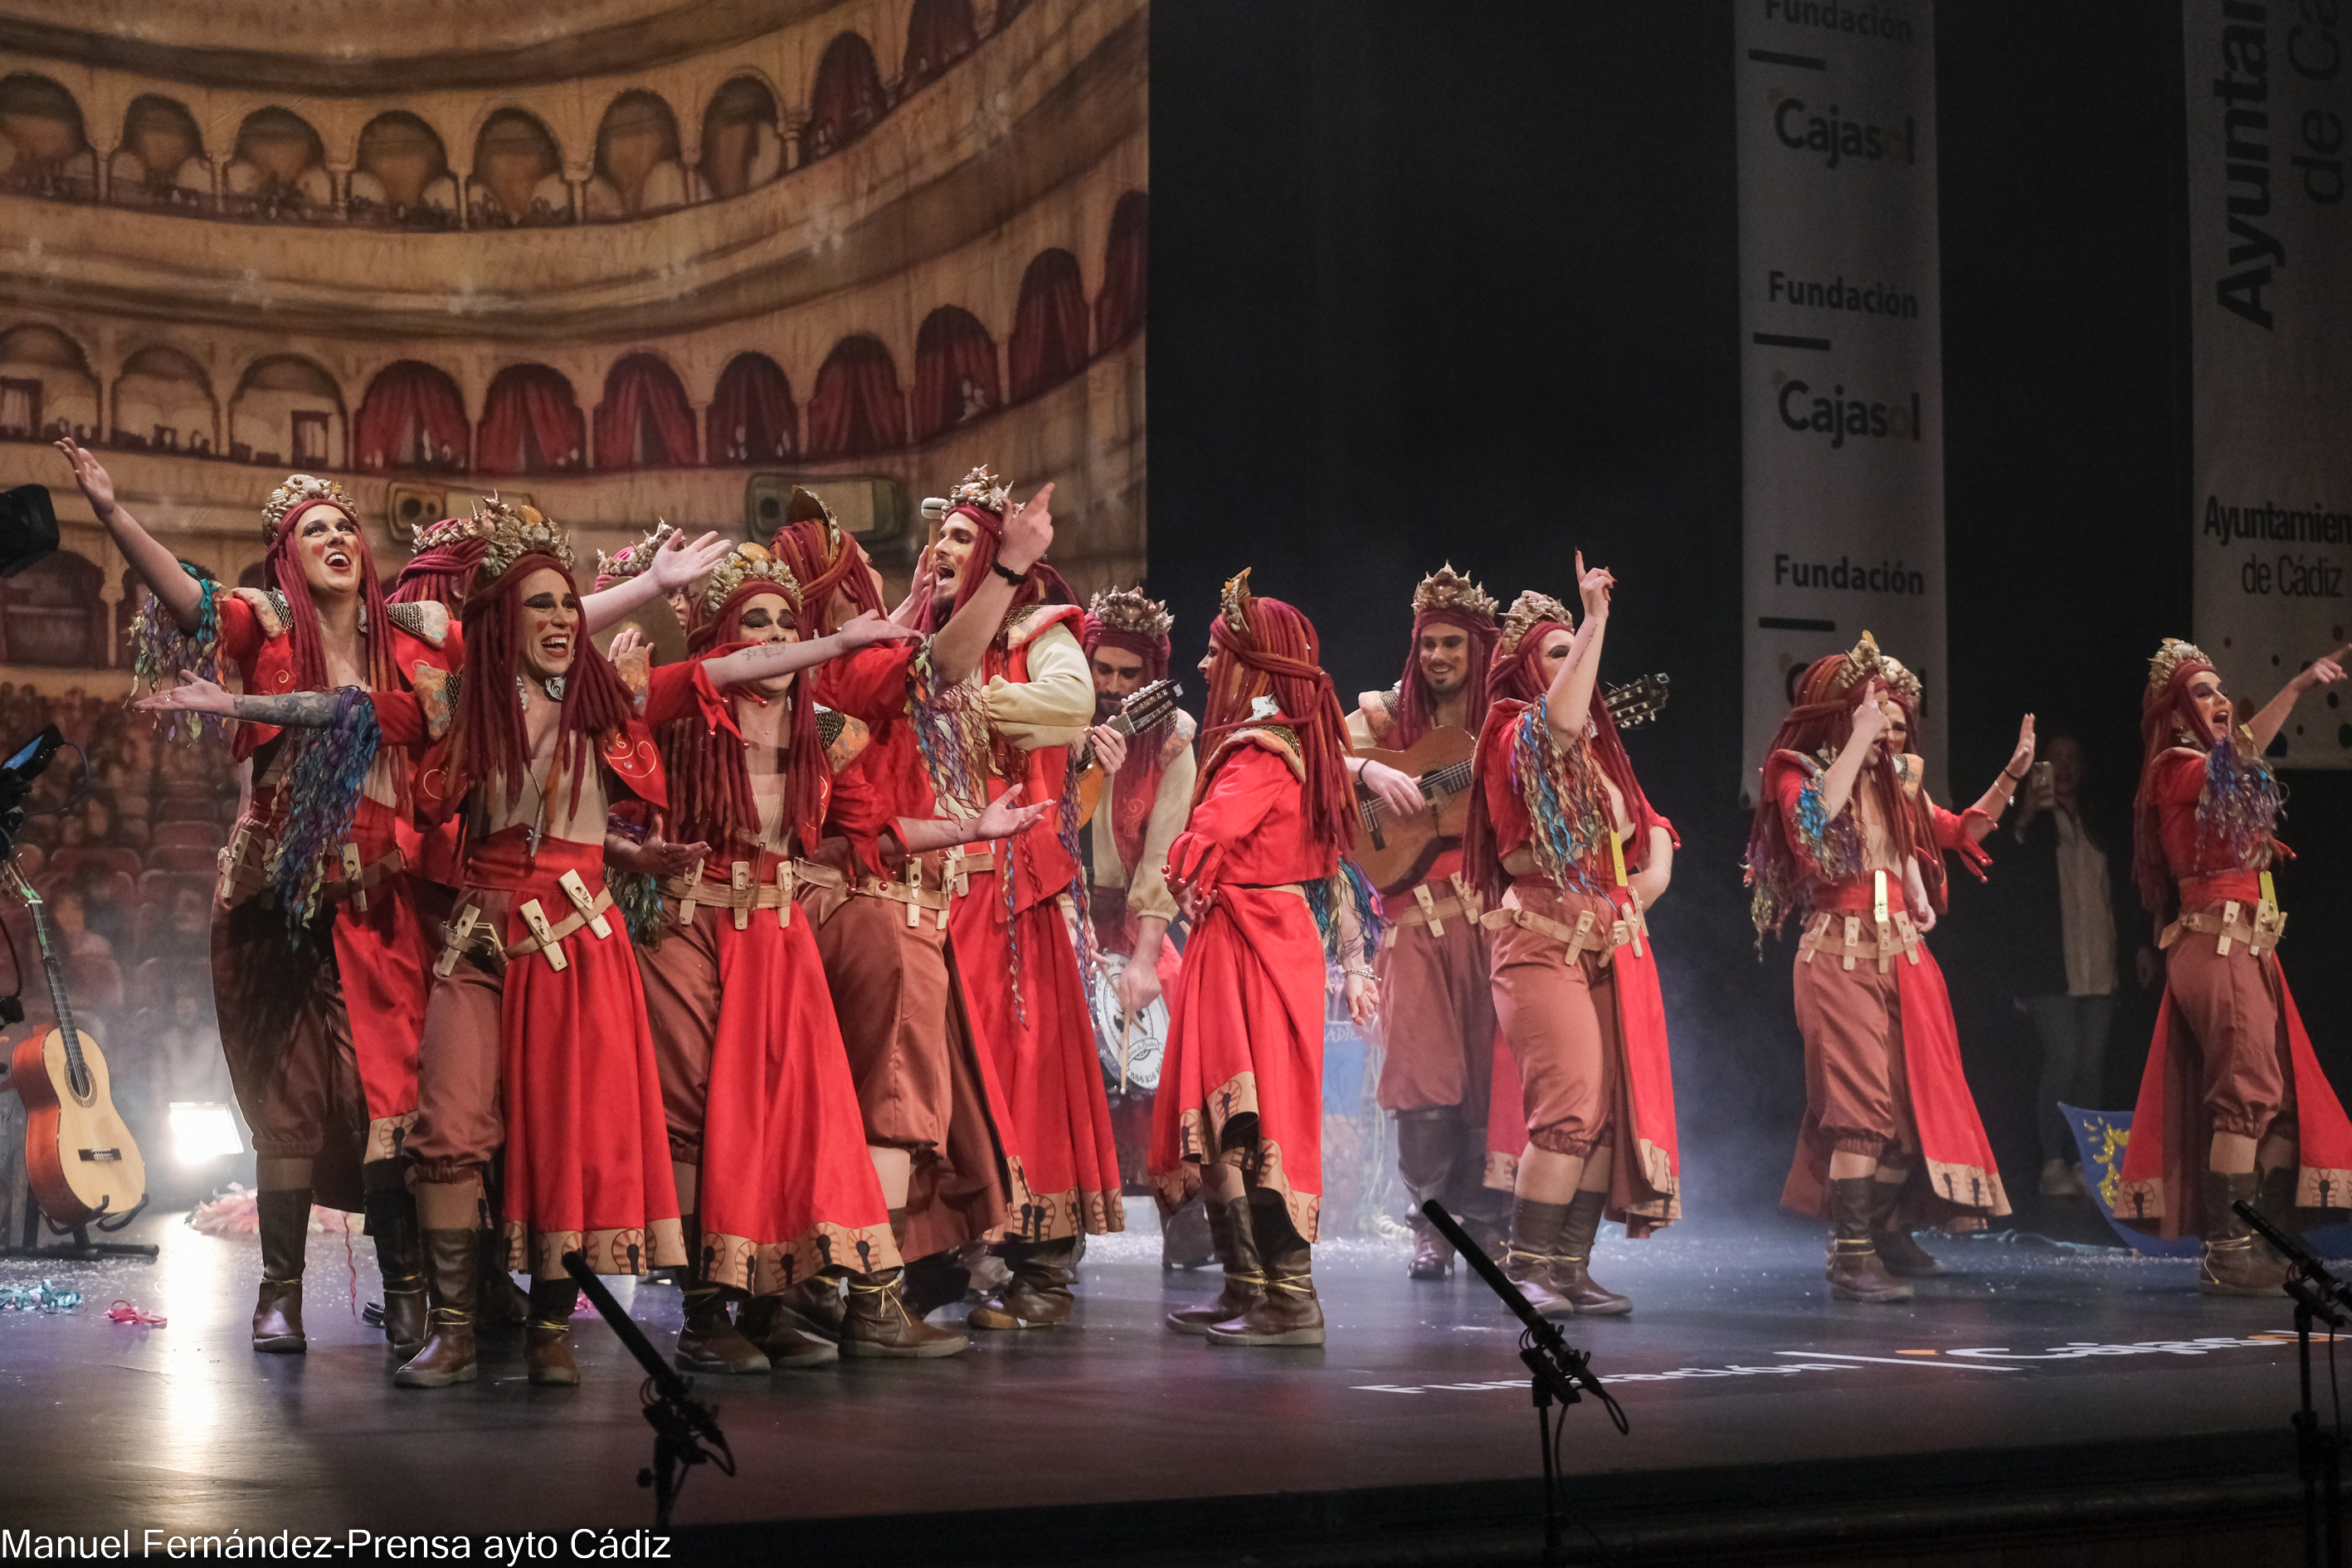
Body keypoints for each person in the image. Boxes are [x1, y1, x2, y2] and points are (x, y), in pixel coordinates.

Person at [139, 499, 747, 1389]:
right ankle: (423, 1318)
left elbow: (730, 666)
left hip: (565, 938)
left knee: (545, 1132)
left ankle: (515, 1321)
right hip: (419, 921)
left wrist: (845, 642)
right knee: (418, 1120)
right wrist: (230, 698)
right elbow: (338, 706)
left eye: (563, 606)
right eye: (534, 607)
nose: (556, 620)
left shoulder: (583, 696)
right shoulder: (449, 697)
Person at [63, 439, 456, 1362]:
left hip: (379, 897)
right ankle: (279, 1294)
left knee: (384, 1096)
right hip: (277, 894)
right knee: (288, 1098)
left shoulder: (418, 636)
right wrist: (116, 515)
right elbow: (192, 602)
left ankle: (404, 1286)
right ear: (288, 555)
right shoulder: (269, 626)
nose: (333, 538)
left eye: (342, 527)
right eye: (311, 529)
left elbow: (533, 629)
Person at [621, 547, 922, 1371]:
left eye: (789, 622)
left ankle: (766, 1303)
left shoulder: (820, 728)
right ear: (722, 637)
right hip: (689, 929)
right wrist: (832, 643)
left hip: (778, 937)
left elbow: (865, 833)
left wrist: (977, 832)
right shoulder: (684, 703)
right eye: (758, 621)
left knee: (782, 1122)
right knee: (697, 1121)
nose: (778, 638)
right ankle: (704, 1316)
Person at [775, 487, 1059, 1353]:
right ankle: (874, 1304)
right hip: (882, 906)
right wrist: (1009, 566)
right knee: (892, 1107)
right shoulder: (848, 670)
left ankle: (825, 1290)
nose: (884, 588)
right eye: (860, 581)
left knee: (874, 1105)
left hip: (860, 900)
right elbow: (938, 667)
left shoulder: (821, 672)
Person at [1745, 631, 2032, 1303]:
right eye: (1868, 707)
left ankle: (1882, 1229)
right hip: (1838, 955)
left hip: (1898, 952)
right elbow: (1816, 823)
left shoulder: (1894, 778)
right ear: (1836, 711)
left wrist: (2011, 775)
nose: (1882, 723)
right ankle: (1850, 1257)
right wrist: (1856, 741)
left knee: (1906, 1109)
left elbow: (1958, 831)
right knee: (1859, 1111)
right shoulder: (1793, 771)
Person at [917, 467, 1126, 1331]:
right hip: (930, 893)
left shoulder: (1039, 628)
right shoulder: (910, 637)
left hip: (1011, 898)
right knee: (935, 1087)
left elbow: (1072, 704)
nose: (943, 553)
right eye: (940, 541)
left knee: (1026, 1077)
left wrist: (961, 696)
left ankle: (1040, 1266)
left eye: (963, 538)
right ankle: (947, 1265)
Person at [1152, 569, 1378, 1348]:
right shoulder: (1290, 745)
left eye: (1220, 654)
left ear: (1251, 664)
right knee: (1229, 1124)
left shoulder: (1258, 752)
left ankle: (1291, 1302)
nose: (1207, 668)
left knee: (1255, 1121)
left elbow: (1201, 841)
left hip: (1251, 944)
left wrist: (1180, 874)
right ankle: (1248, 1285)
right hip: (1257, 937)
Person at [1462, 574, 1679, 1317]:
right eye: (1557, 651)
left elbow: (1654, 830)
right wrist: (1593, 618)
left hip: (1604, 943)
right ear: (1528, 666)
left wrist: (1646, 881)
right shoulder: (1509, 729)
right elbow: (1553, 730)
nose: (1572, 659)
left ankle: (1567, 1268)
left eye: (1575, 649)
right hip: (1541, 942)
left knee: (1602, 1119)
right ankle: (1524, 1270)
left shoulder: (1595, 749)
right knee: (1566, 1112)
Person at [2114, 639, 2352, 1293]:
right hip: (2215, 945)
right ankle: (2227, 1254)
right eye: (2202, 692)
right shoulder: (2172, 765)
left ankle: (2252, 1238)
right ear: (2174, 711)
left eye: (2220, 690)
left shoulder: (2210, 768)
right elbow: (2240, 751)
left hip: (2246, 945)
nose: (2218, 701)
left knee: (2281, 1103)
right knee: (2244, 1098)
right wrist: (2298, 687)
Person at [1346, 565, 1509, 1279]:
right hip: (1414, 923)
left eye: (1451, 644)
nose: (1437, 657)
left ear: (1479, 648)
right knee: (1422, 1081)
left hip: (1492, 922)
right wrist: (1366, 772)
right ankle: (1431, 1228)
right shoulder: (1384, 715)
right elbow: (1308, 755)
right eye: (1428, 644)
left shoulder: (1506, 721)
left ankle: (1486, 1225)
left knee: (1486, 1079)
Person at [1076, 587, 1203, 1269]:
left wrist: (1145, 957)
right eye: (1103, 670)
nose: (1113, 687)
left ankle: (1187, 1223)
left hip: (1134, 913)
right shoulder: (1055, 721)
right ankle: (1051, 1229)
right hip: (1057, 909)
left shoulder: (1172, 740)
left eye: (1130, 675)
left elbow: (1162, 855)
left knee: (1168, 1030)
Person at [1998, 732, 2130, 1198]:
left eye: (2074, 758)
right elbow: (2005, 884)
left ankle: (2085, 1162)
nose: (2065, 767)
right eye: (2056, 760)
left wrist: (2137, 951)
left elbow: (2119, 895)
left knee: (2092, 1067)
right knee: (2065, 1057)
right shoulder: (2032, 828)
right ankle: (2051, 1162)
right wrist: (2028, 812)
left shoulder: (2097, 824)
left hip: (2098, 963)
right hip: (2048, 966)